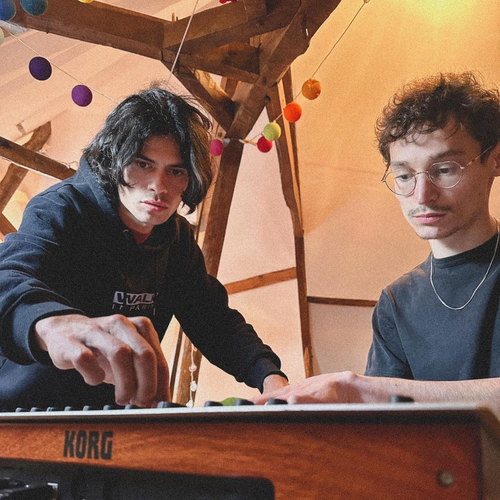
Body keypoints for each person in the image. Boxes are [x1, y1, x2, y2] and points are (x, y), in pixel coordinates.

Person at [0, 86, 288, 410]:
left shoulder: (177, 240)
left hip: (116, 418)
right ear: (114, 161)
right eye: (143, 164)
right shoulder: (61, 209)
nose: (159, 187)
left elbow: (213, 320)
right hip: (21, 413)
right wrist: (51, 325)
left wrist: (272, 379)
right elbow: (8, 278)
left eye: (176, 171)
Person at [252, 71, 500, 410]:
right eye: (404, 175)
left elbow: (376, 396)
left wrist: (360, 389)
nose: (422, 195)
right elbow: (389, 428)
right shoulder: (397, 302)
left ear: (495, 159)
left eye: (445, 169)